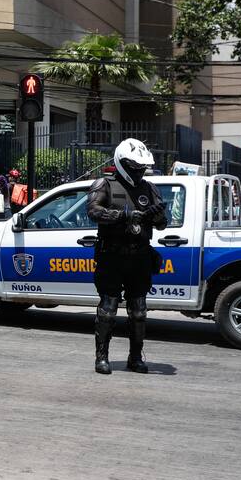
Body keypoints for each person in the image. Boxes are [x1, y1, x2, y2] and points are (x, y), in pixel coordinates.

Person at [87, 138, 167, 375]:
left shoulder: (149, 187)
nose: (139, 170)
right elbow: (93, 211)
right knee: (108, 308)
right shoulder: (105, 184)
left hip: (140, 256)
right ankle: (101, 358)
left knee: (139, 310)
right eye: (135, 166)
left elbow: (163, 223)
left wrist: (155, 216)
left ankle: (135, 358)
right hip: (111, 256)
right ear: (122, 162)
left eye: (142, 167)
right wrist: (125, 215)